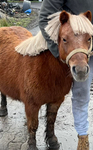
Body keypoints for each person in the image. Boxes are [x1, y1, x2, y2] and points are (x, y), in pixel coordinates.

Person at [39, 0, 93, 150]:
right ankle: (83, 139)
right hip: (75, 47)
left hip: (88, 43)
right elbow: (45, 18)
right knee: (81, 94)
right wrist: (61, 55)